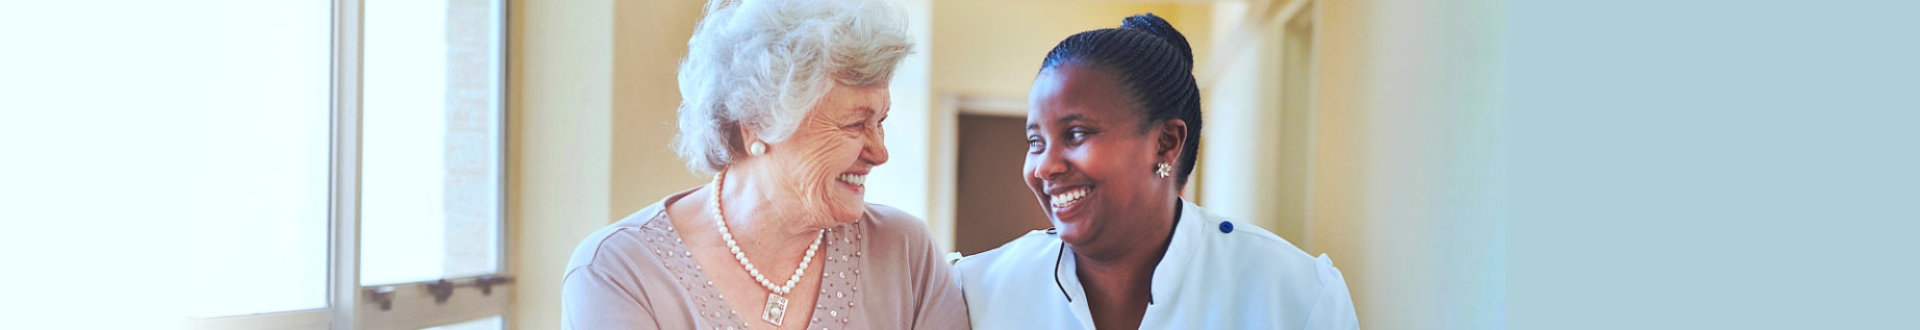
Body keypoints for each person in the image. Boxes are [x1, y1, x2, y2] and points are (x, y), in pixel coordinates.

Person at [560, 0, 968, 328]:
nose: (880, 152)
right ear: (756, 124)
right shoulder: (619, 271)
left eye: (880, 122)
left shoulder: (903, 252)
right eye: (855, 124)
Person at [955, 13, 1359, 329]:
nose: (1045, 166)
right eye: (1035, 142)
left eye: (1076, 134)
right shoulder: (975, 292)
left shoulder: (1294, 293)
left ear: (1165, 142)